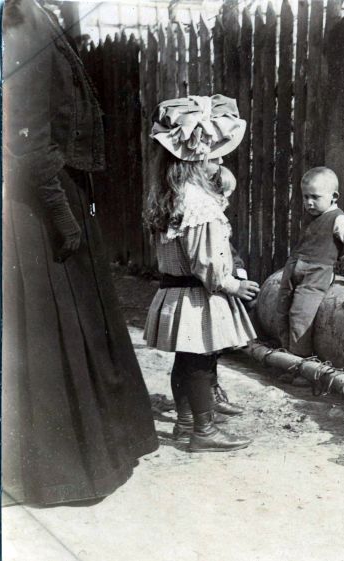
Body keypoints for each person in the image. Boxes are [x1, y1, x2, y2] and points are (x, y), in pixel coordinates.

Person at [1, 0, 158, 505]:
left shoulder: (38, 16)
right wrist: (61, 213)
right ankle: (60, 471)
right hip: (37, 204)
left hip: (50, 191)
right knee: (51, 330)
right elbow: (25, 137)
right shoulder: (21, 22)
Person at [142, 95, 259, 452]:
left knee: (186, 360)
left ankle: (185, 423)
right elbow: (206, 261)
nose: (220, 160)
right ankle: (204, 432)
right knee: (201, 362)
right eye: (214, 154)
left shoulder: (171, 194)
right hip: (196, 296)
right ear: (196, 158)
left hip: (176, 292)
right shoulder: (198, 202)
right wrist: (232, 285)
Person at [275, 167, 344, 379]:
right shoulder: (312, 215)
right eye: (305, 197)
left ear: (334, 196)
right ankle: (288, 363)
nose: (309, 202)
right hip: (294, 268)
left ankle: (304, 372)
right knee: (282, 312)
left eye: (315, 197)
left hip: (317, 273)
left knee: (301, 317)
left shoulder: (340, 220)